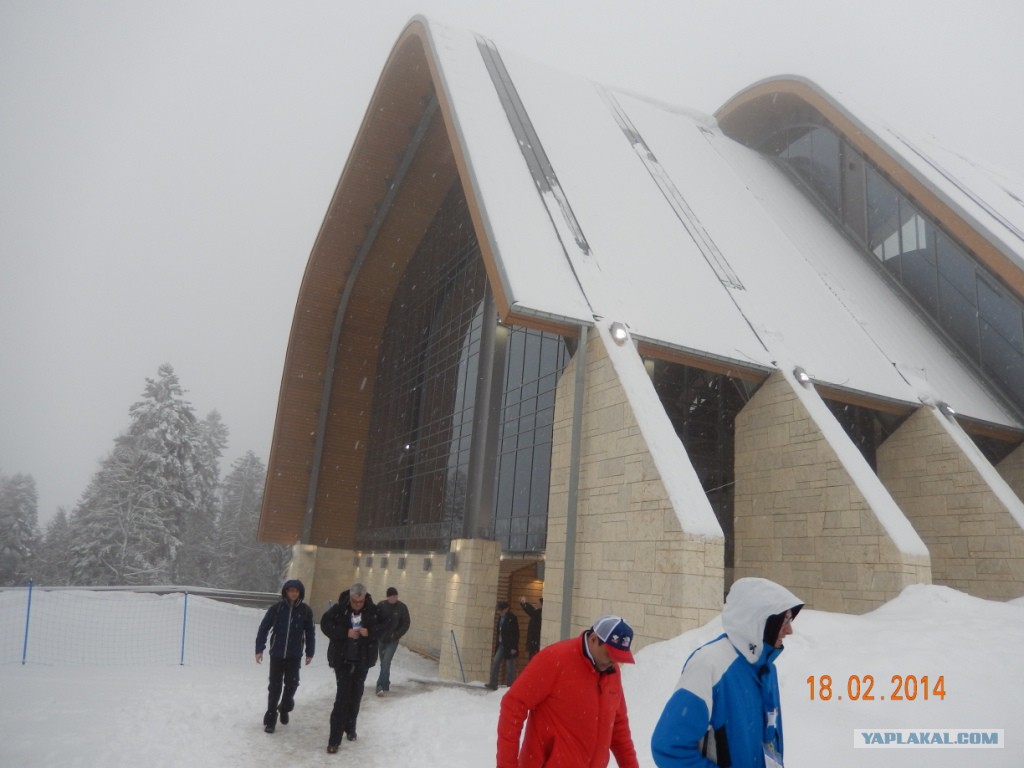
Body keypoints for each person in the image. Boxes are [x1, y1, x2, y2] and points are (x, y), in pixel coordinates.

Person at [650, 577, 803, 768]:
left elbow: (769, 742)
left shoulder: (767, 668)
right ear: (757, 620)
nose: (789, 630)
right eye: (784, 620)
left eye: (790, 619)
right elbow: (669, 747)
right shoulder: (709, 664)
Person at [496, 614, 640, 767]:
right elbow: (513, 705)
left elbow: (618, 727)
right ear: (593, 639)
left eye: (618, 657)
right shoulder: (555, 659)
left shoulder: (611, 672)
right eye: (609, 654)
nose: (613, 661)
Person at [320, 583, 378, 754]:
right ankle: (334, 740)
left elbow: (383, 628)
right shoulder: (339, 609)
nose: (358, 605)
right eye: (355, 602)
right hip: (343, 661)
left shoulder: (372, 610)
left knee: (356, 696)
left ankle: (350, 727)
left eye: (361, 602)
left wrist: (370, 633)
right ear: (350, 598)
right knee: (342, 699)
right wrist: (345, 632)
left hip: (362, 661)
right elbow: (325, 625)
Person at [254, 578, 315, 733]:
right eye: (291, 590)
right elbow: (264, 628)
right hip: (277, 653)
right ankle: (271, 718)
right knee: (274, 686)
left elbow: (310, 632)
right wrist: (259, 648)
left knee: (292, 684)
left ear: (300, 593)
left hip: (294, 655)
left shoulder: (305, 611)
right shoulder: (277, 609)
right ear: (286, 592)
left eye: (296, 591)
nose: (293, 593)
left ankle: (285, 706)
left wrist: (310, 652)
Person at [374, 586, 411, 696]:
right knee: (384, 663)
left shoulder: (402, 607)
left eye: (396, 596)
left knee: (386, 661)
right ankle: (386, 683)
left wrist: (397, 634)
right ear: (388, 597)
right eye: (392, 596)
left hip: (392, 640)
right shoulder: (381, 606)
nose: (394, 598)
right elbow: (374, 620)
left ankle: (380, 685)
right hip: (381, 639)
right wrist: (378, 632)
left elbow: (406, 623)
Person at [486, 601, 520, 690]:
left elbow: (516, 633)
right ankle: (493, 683)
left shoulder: (512, 618)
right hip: (501, 644)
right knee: (496, 662)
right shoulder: (500, 618)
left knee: (509, 666)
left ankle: (510, 687)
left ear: (506, 609)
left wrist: (514, 647)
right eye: (498, 610)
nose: (499, 612)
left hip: (510, 645)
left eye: (500, 610)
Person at [519, 596, 543, 660]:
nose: (536, 604)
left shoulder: (539, 613)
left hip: (535, 640)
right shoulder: (537, 612)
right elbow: (531, 611)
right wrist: (524, 604)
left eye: (538, 603)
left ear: (541, 604)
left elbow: (531, 611)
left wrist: (525, 603)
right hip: (534, 640)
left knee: (533, 658)